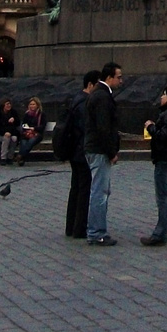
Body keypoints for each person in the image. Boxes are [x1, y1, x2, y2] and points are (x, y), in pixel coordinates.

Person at [140, 86, 167, 247]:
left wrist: (151, 127)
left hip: (164, 158)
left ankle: (160, 233)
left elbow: (163, 136)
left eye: (164, 94)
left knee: (163, 198)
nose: (161, 97)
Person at [84, 63, 123, 246]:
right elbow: (103, 128)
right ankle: (96, 232)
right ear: (109, 77)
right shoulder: (102, 97)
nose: (121, 81)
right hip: (99, 150)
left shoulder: (99, 94)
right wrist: (111, 151)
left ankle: (97, 230)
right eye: (119, 77)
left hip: (96, 148)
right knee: (100, 192)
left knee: (101, 191)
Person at [63, 72, 96, 240]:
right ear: (90, 85)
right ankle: (79, 228)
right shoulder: (84, 103)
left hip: (74, 150)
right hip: (82, 151)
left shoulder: (76, 99)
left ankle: (71, 226)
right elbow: (85, 128)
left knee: (75, 189)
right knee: (83, 190)